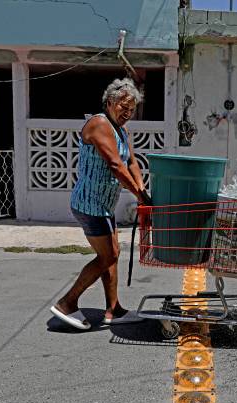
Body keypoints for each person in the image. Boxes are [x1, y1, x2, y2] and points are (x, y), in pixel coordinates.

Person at [50, 78, 150, 330]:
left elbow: (131, 163)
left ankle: (113, 309)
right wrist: (139, 197)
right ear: (109, 102)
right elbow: (115, 165)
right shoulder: (99, 124)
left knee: (111, 255)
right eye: (122, 106)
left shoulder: (121, 130)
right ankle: (67, 302)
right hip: (90, 204)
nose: (126, 113)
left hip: (104, 205)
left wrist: (142, 189)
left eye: (131, 109)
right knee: (109, 255)